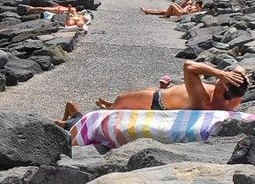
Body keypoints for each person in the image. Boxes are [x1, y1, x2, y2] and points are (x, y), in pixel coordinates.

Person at [62, 59, 250, 122]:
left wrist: (220, 72)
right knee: (116, 104)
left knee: (116, 105)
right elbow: (240, 69)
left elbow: (189, 66)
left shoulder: (203, 100)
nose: (219, 78)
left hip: (155, 100)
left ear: (222, 85)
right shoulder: (233, 99)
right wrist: (240, 73)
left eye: (221, 79)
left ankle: (74, 116)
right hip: (165, 97)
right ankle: (108, 105)